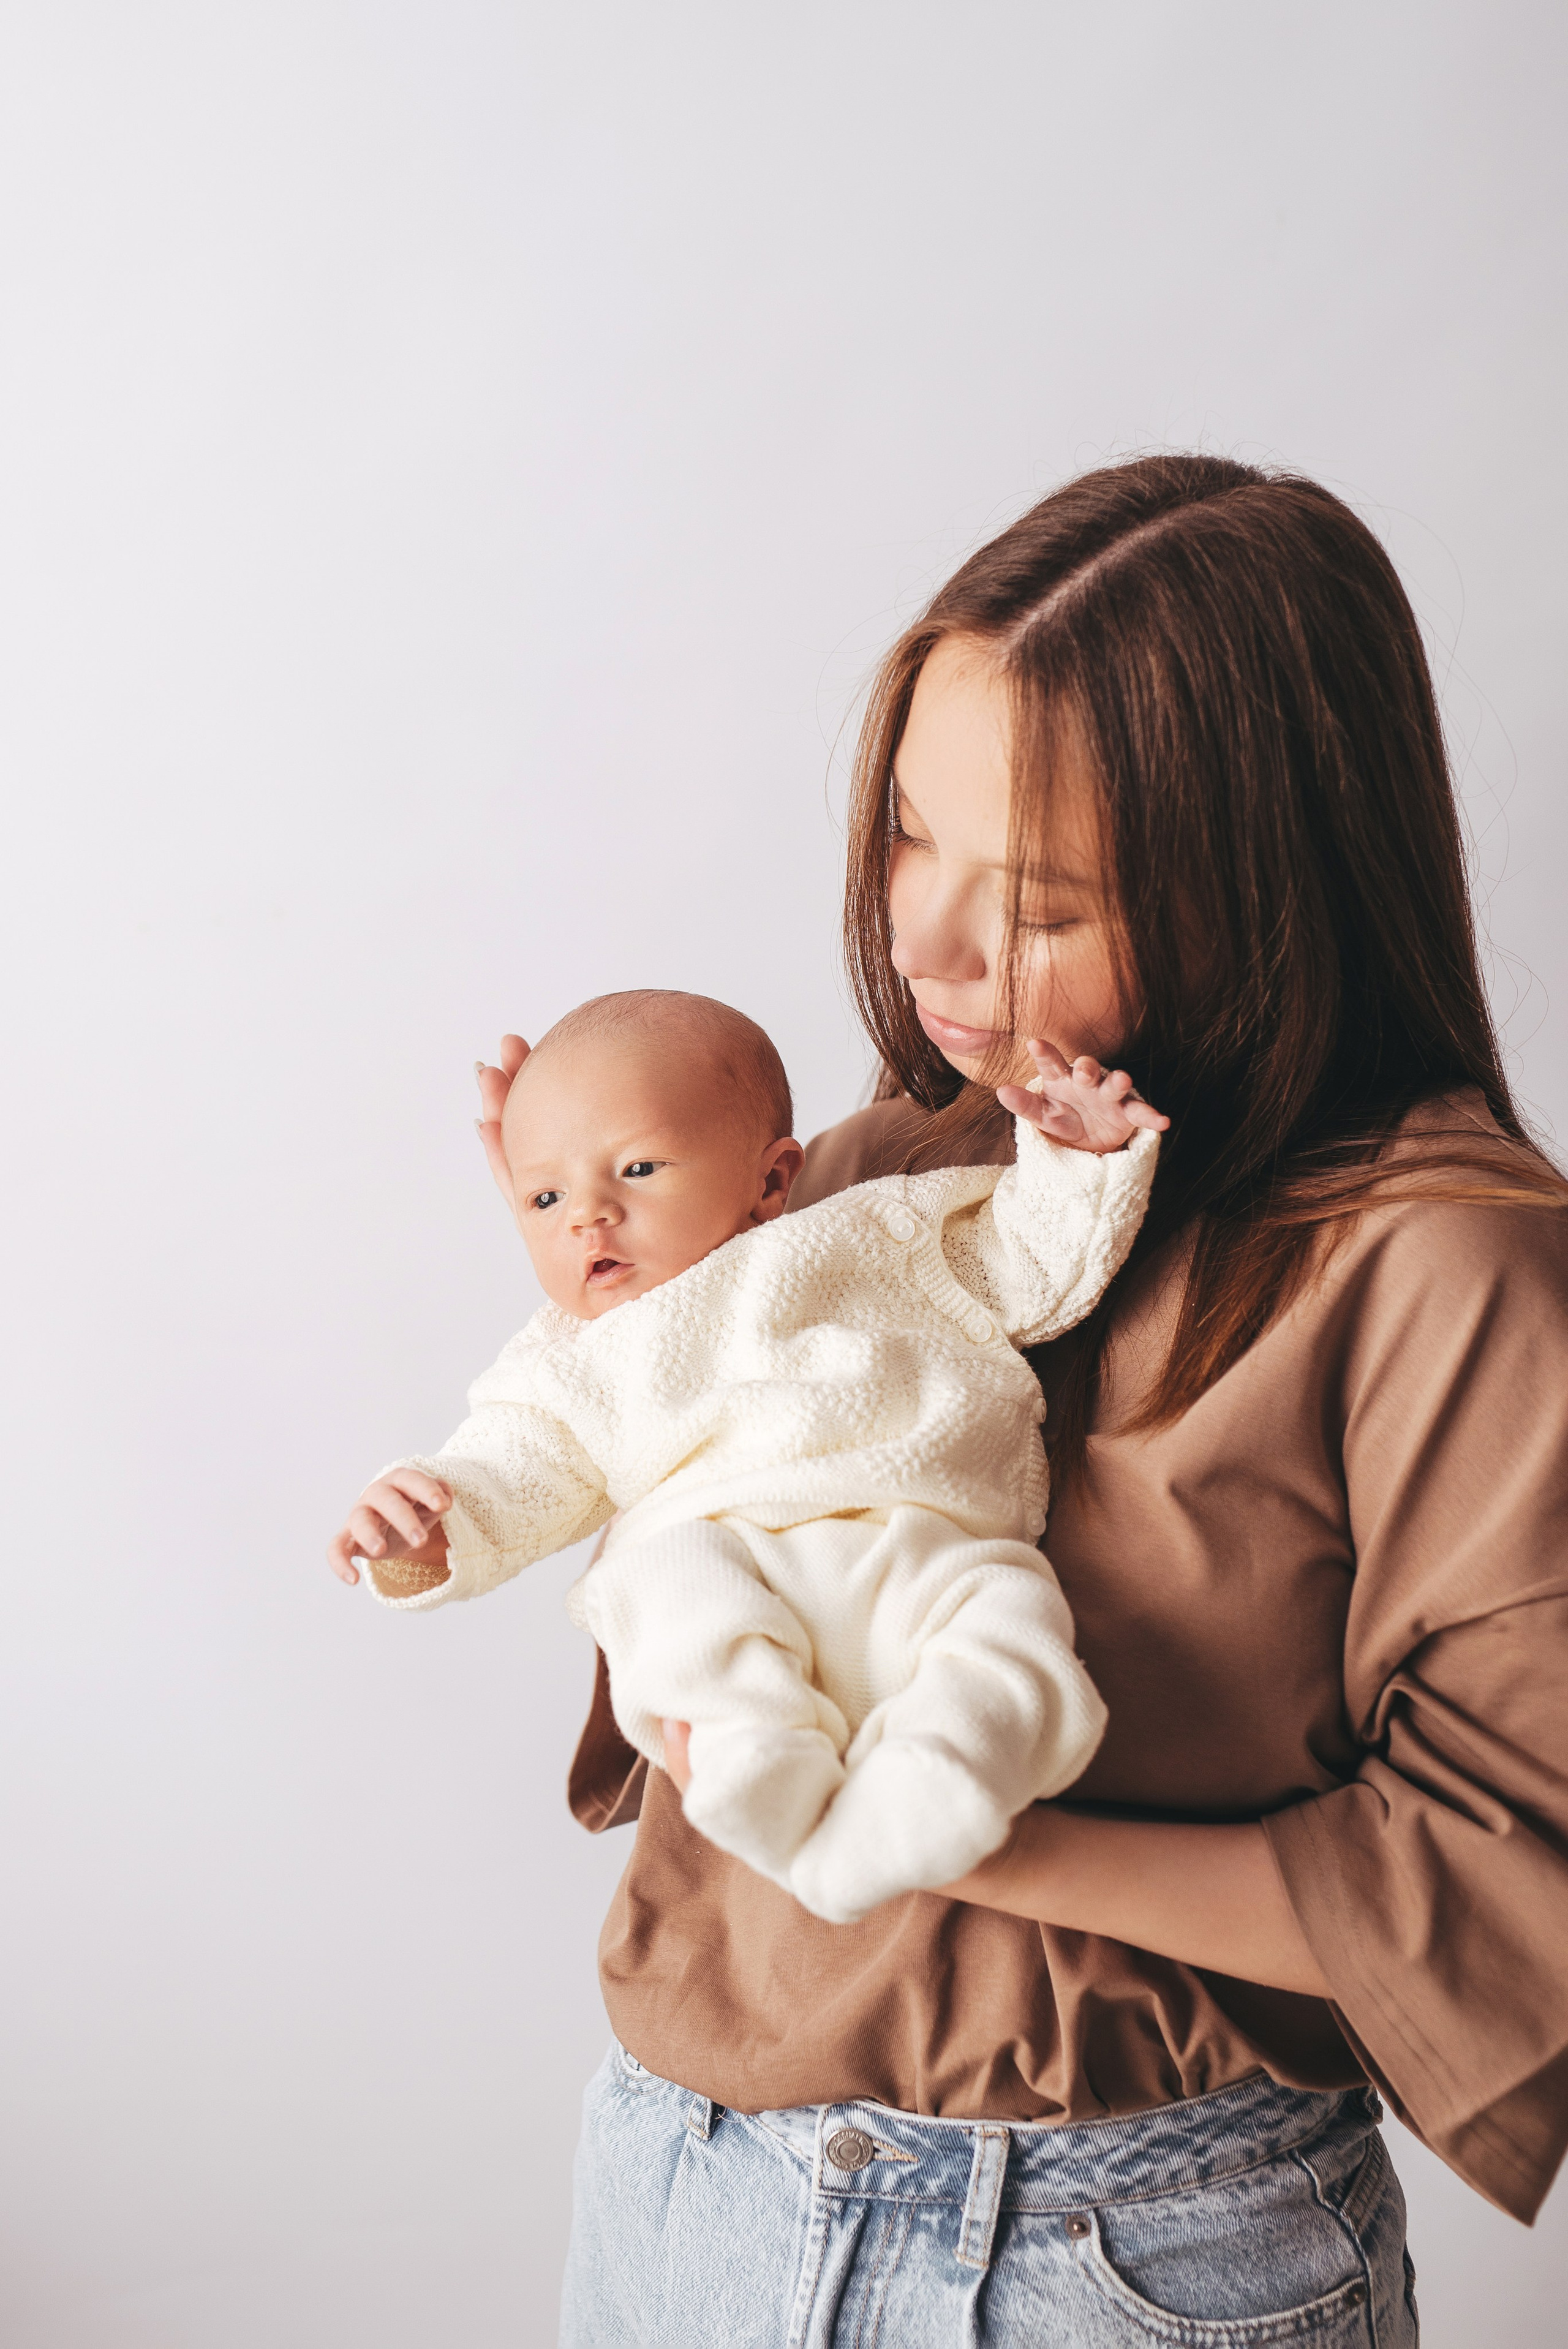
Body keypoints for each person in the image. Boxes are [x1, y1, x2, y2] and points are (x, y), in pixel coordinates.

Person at [508, 455, 1568, 2343]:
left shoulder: (1446, 1265)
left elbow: (1506, 1881)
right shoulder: (889, 1165)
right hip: (687, 2188)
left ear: (1272, 884)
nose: (924, 950)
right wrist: (592, 1229)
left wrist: (968, 1826)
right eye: (911, 834)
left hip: (1117, 2259)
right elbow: (669, 1512)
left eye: (1045, 898)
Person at [328, 988, 1164, 1921]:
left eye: (638, 1169)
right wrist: (426, 1526)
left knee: (1009, 1627)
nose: (587, 1217)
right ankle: (756, 1759)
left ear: (772, 1182)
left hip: (918, 1539)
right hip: (727, 1564)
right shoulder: (568, 1357)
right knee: (662, 1584)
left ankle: (934, 1788)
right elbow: (512, 1471)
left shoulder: (867, 1236)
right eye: (544, 1195)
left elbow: (1027, 1265)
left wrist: (1080, 1159)